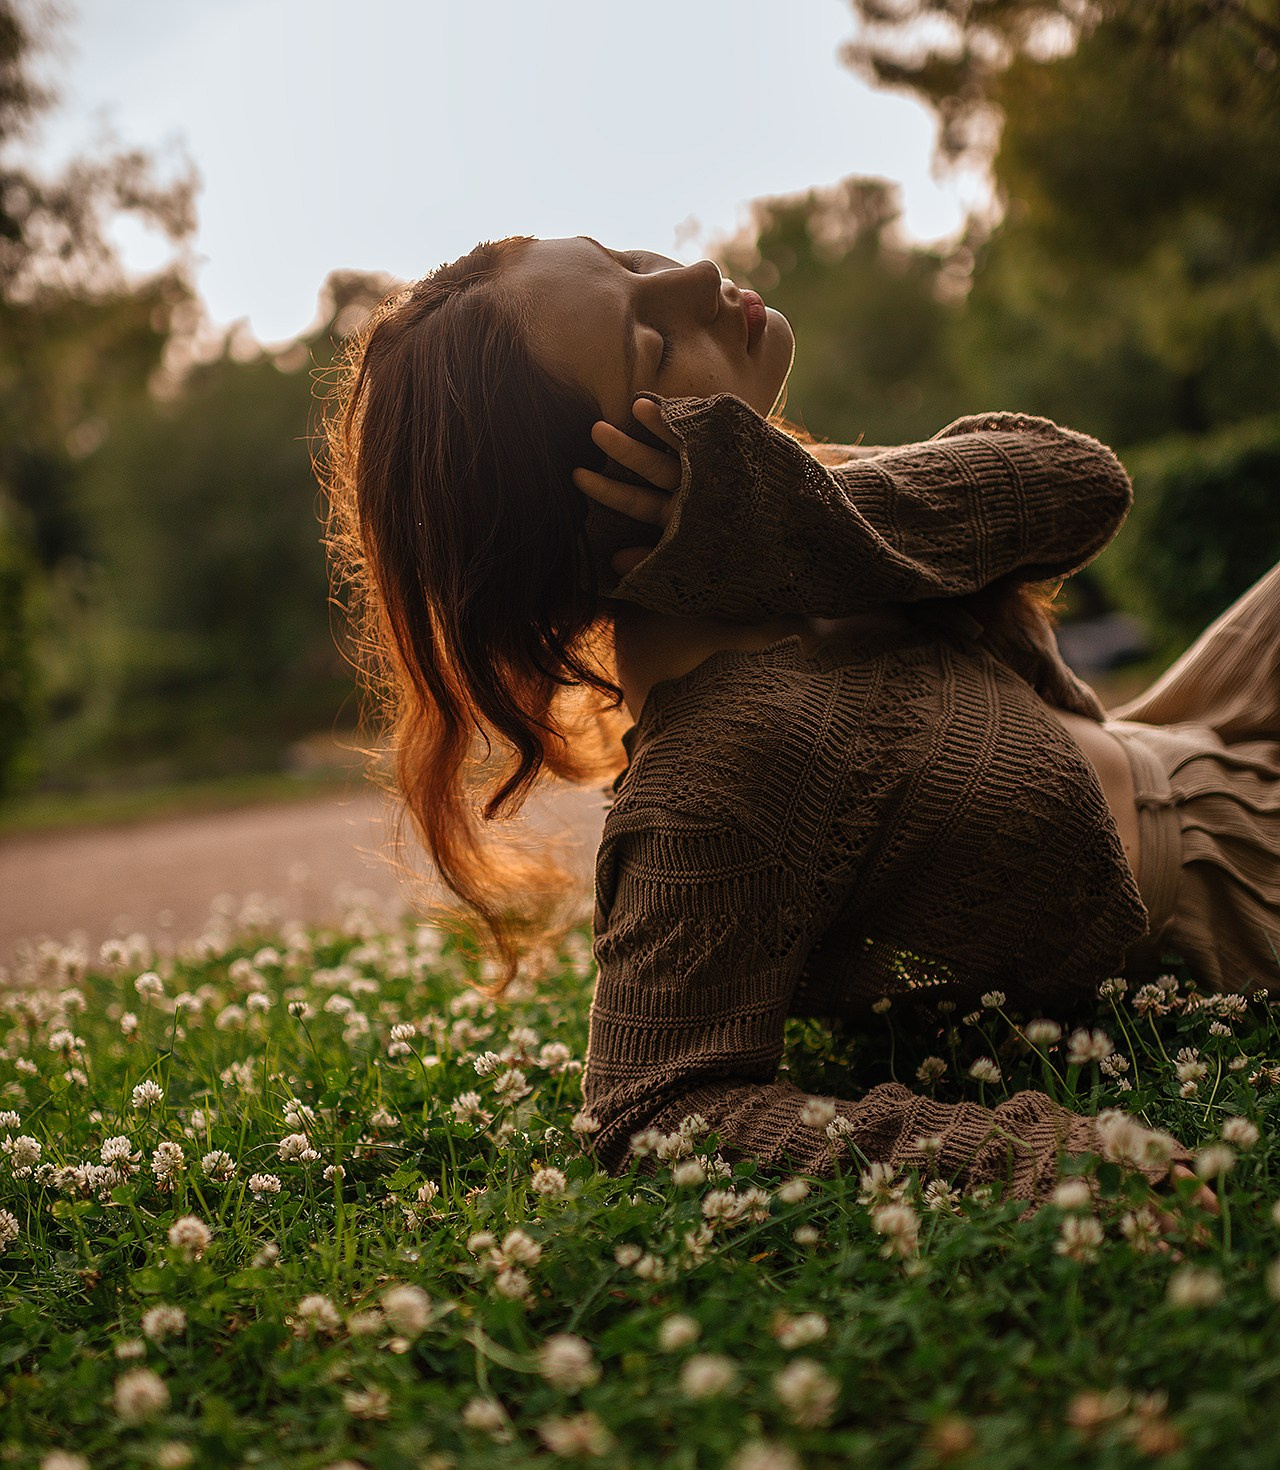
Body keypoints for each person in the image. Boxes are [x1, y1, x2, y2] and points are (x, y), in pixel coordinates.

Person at [323, 235, 1270, 1203]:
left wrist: (795, 512)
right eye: (647, 344)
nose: (690, 278)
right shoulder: (720, 768)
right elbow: (653, 1109)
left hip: (1203, 726)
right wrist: (1018, 1160)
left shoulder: (795, 521)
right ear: (608, 505)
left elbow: (1075, 484)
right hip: (1230, 891)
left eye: (628, 259)